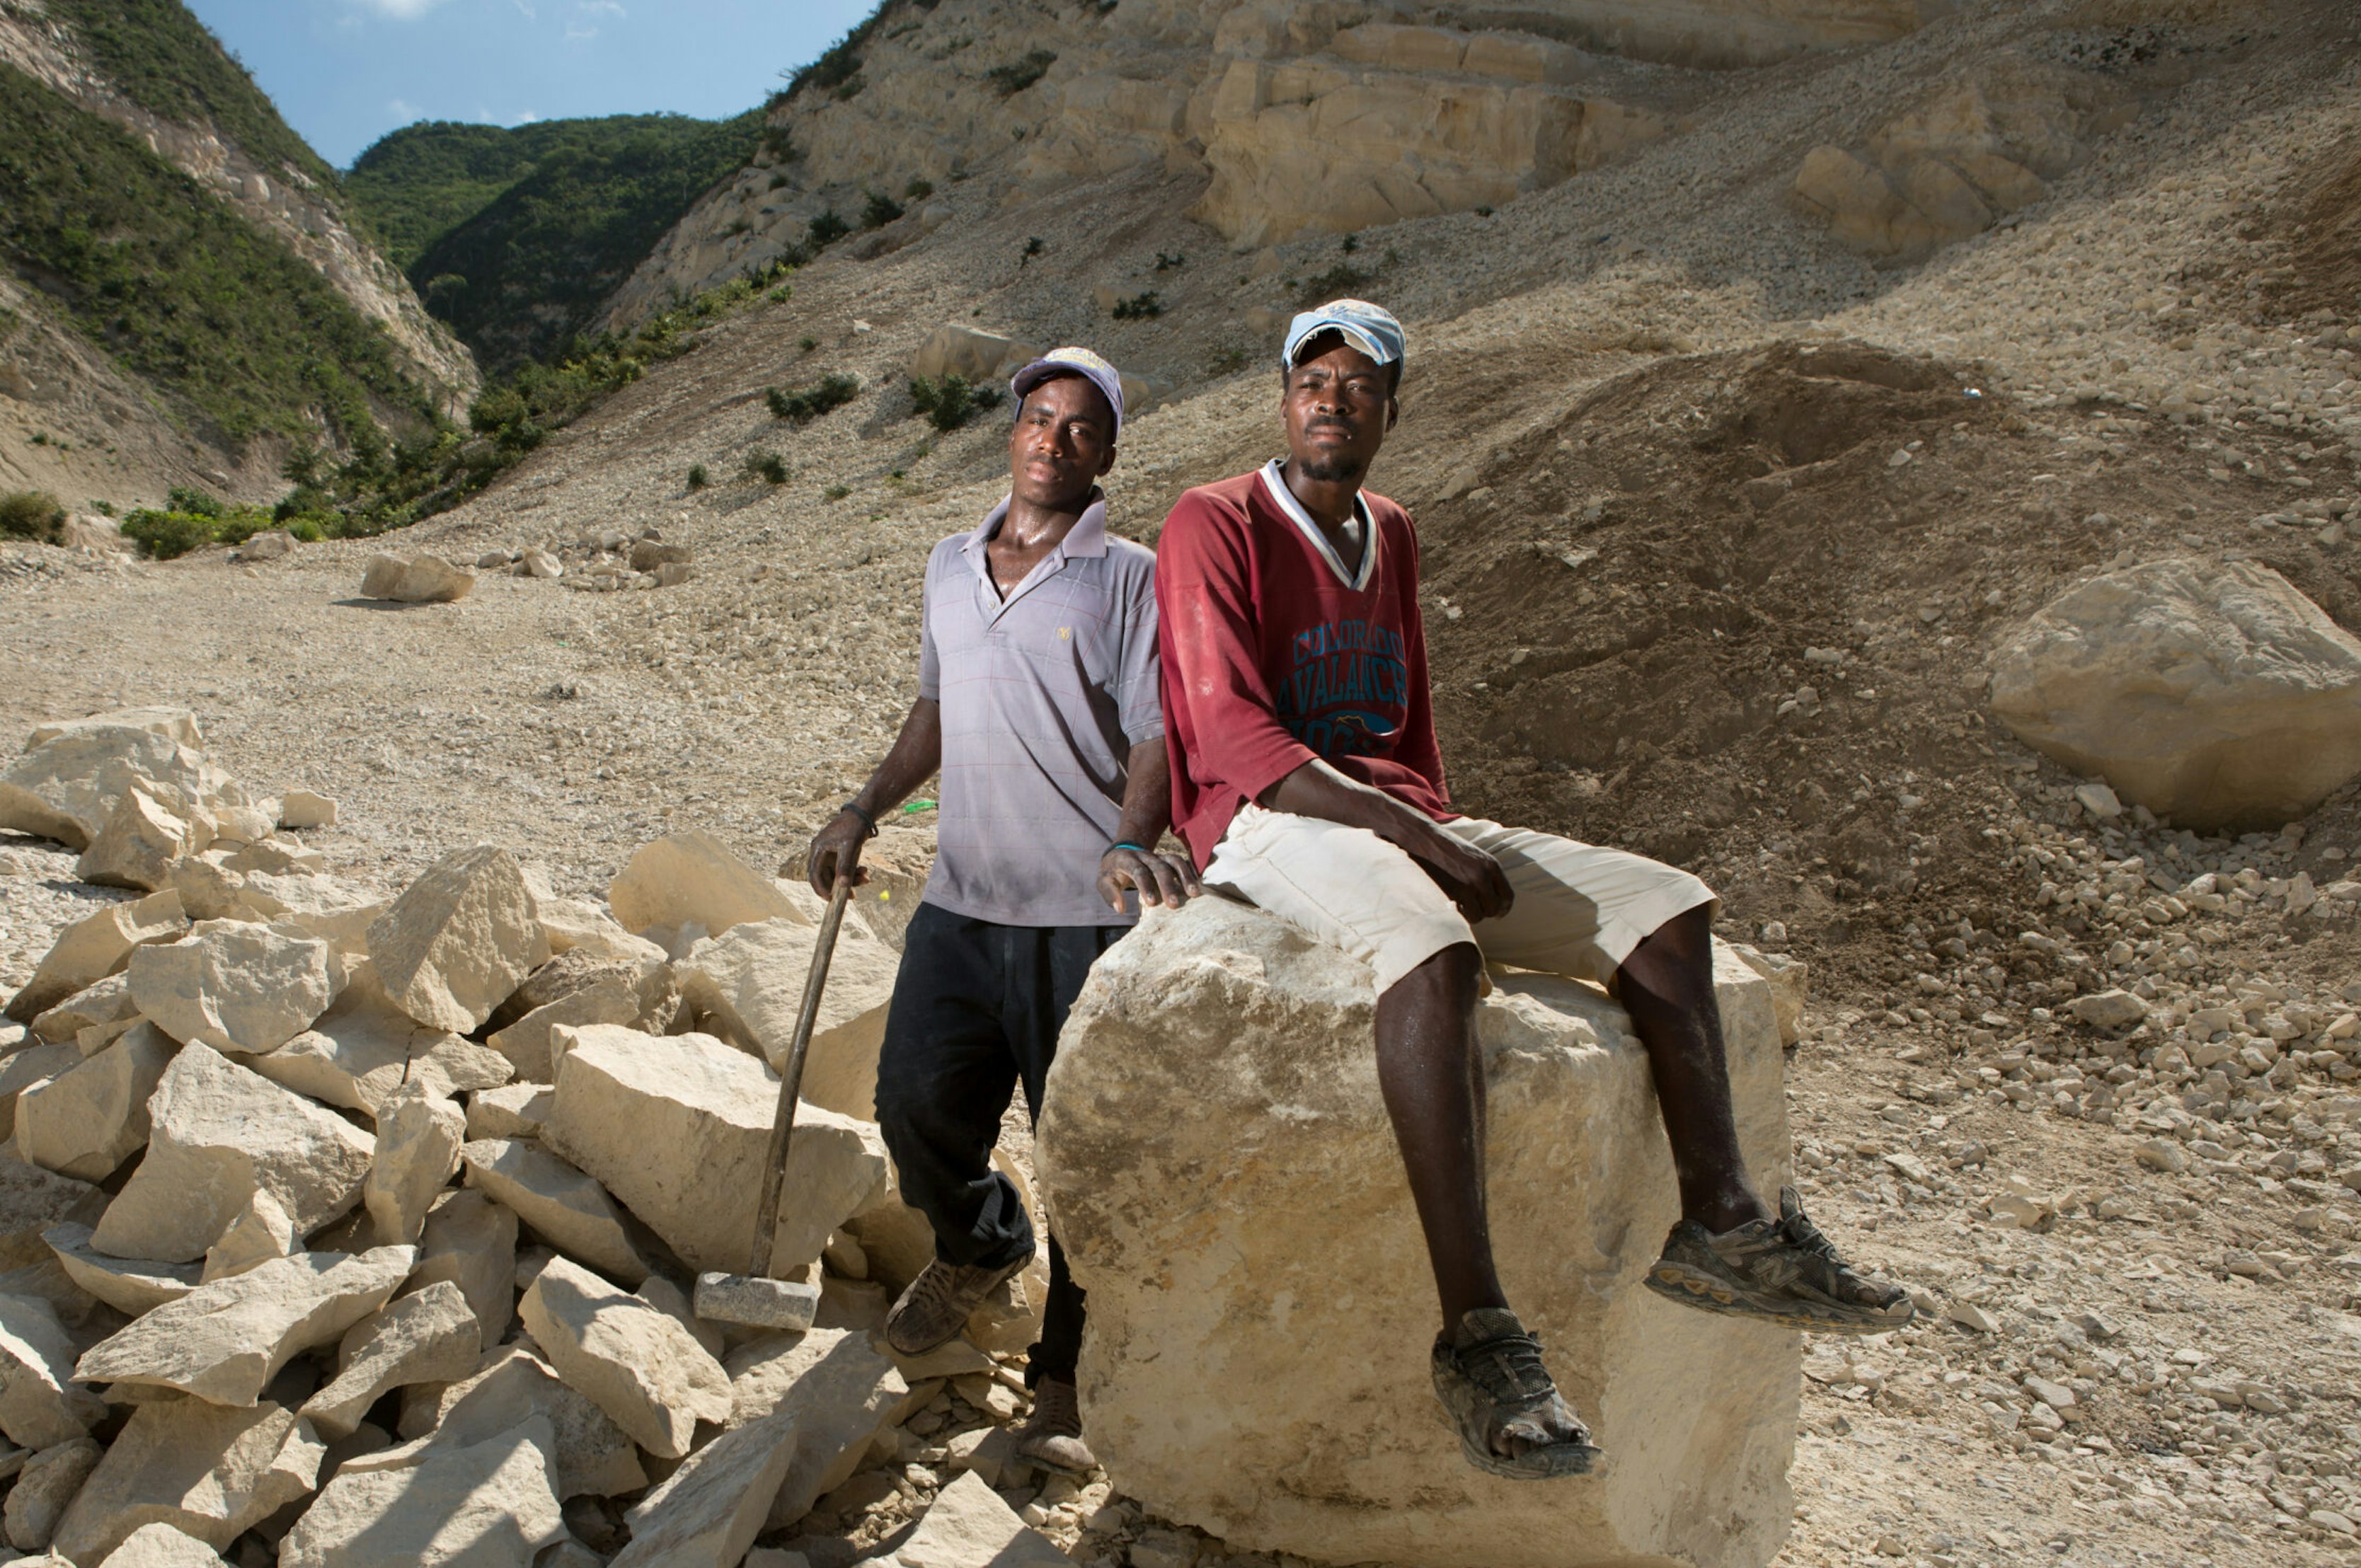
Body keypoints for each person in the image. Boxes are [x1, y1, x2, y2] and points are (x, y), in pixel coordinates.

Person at [1152, 299, 1909, 1481]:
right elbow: (1227, 725)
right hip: (1269, 819)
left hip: (1394, 807)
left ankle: (1722, 1220)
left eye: (1359, 385)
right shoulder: (1215, 518)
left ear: (1391, 412)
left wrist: (1442, 823)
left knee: (1664, 904)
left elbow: (1409, 716)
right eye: (1313, 379)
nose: (1331, 400)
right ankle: (1479, 1336)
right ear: (1282, 397)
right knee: (1434, 948)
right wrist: (1419, 842)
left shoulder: (1389, 529)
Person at [806, 345, 1196, 1475]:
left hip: (1082, 913)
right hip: (961, 905)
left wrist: (1135, 838)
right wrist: (861, 806)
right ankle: (979, 1245)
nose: (1053, 438)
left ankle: (1065, 1379)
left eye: (1081, 426)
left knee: (1075, 1147)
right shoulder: (946, 563)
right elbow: (933, 710)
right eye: (1038, 417)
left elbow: (1156, 734)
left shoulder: (1127, 574)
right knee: (913, 1108)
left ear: (1107, 453)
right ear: (1012, 430)